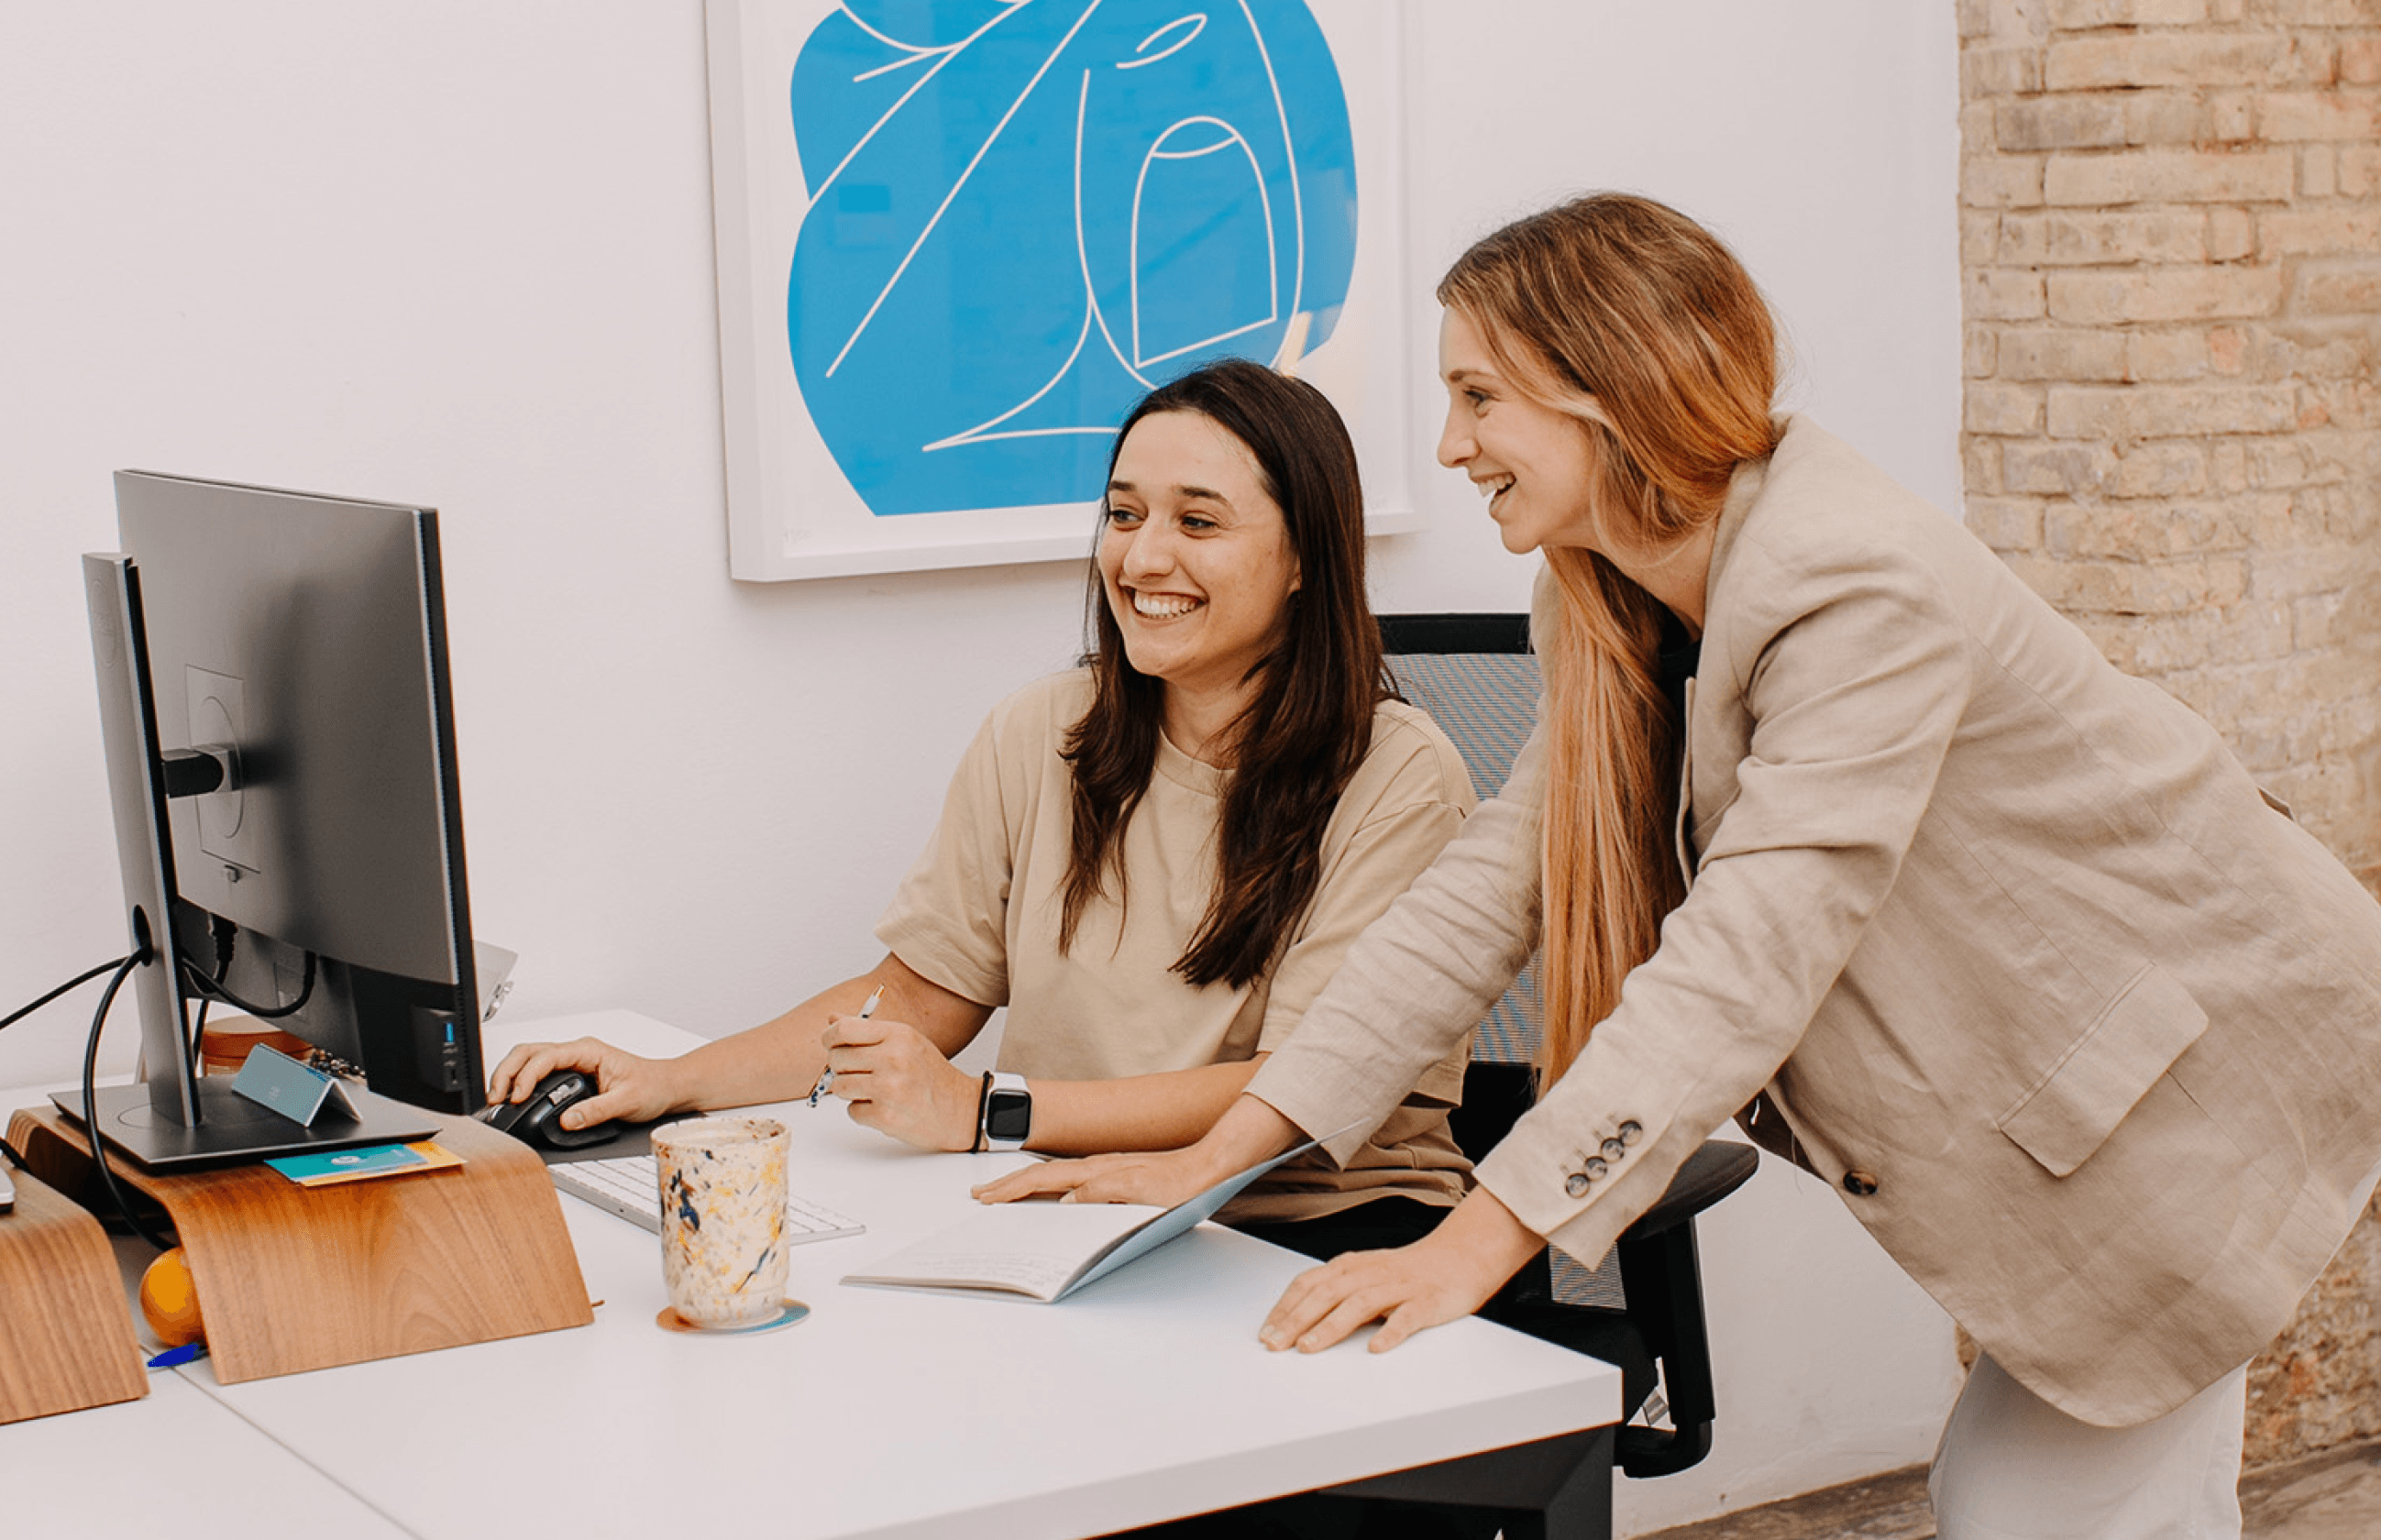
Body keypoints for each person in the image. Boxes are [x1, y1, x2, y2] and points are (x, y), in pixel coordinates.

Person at [976, 194, 2381, 1538]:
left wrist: (1478, 1244)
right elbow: (1485, 894)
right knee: (2042, 1506)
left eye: (1481, 397)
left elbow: (1745, 956)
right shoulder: (1607, 588)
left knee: (2040, 1513)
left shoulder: (1852, 588)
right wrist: (1213, 1159)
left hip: (2190, 1086)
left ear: (1608, 389)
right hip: (2090, 1090)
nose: (1454, 445)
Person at [489, 358, 1481, 1246]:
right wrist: (672, 1082)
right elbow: (921, 995)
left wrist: (985, 1112)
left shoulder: (1397, 776)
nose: (1141, 561)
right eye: (1125, 515)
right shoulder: (1045, 728)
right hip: (1070, 1203)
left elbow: (1301, 1081)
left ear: (1306, 558)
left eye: (1198, 521)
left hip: (1310, 1226)